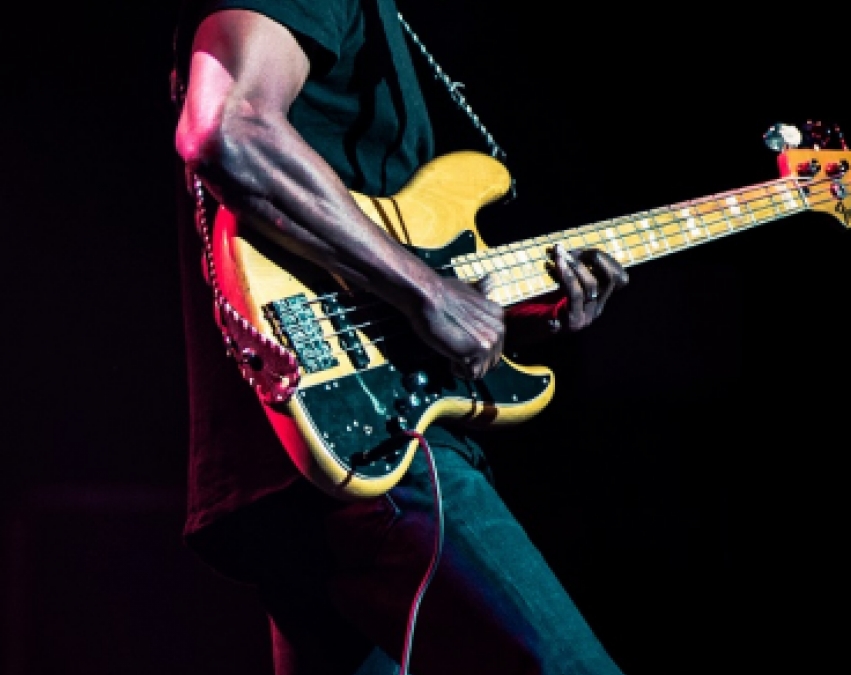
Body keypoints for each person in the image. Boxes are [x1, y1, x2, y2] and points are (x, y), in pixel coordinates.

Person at [169, 1, 630, 674]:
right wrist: (427, 293)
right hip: (377, 433)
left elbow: (403, 246)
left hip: (314, 454)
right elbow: (229, 126)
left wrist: (515, 313)